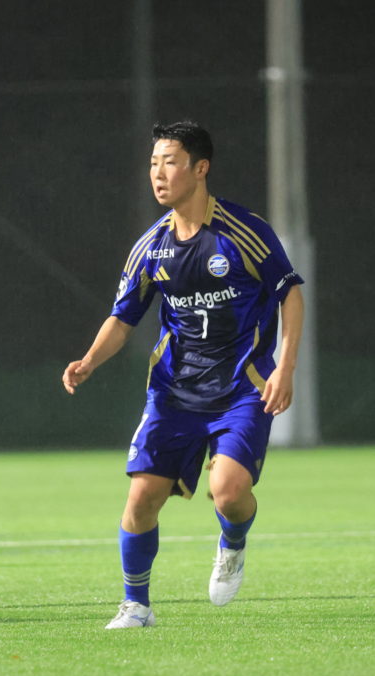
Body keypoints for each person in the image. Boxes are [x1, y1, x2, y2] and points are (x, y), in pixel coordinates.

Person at [62, 121, 305, 629]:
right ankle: (136, 605)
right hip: (175, 392)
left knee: (229, 493)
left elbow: (290, 295)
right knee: (141, 498)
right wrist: (88, 361)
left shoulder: (244, 231)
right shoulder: (151, 246)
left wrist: (285, 367)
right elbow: (123, 318)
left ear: (200, 168)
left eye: (169, 162)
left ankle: (232, 542)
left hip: (242, 388)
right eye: (153, 164)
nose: (158, 173)